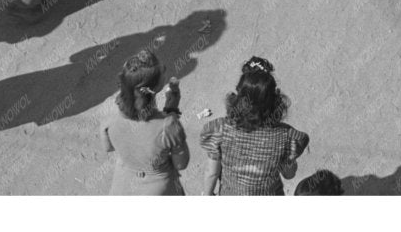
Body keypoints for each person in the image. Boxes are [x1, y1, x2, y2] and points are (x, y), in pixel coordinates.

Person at [202, 54, 311, 190]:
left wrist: (206, 195)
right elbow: (289, 174)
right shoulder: (286, 137)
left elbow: (211, 173)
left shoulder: (220, 129)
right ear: (276, 100)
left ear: (238, 98)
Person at [102, 50, 190, 194]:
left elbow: (108, 147)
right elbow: (181, 164)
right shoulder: (168, 126)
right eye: (163, 71)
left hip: (122, 188)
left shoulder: (109, 121)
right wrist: (171, 111)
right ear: (154, 89)